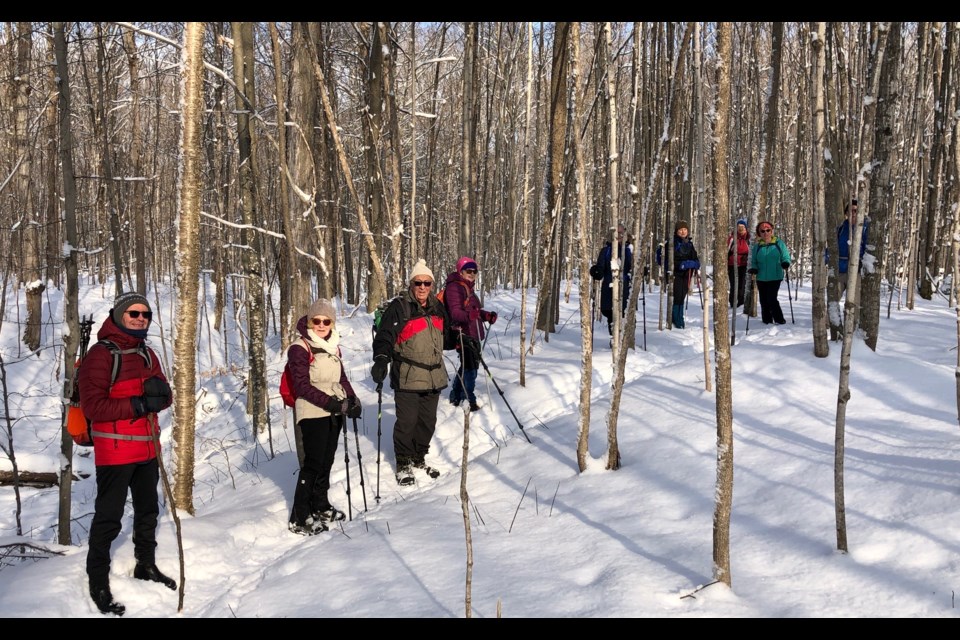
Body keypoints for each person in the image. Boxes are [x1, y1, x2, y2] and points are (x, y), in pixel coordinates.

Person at [78, 291, 175, 616]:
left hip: (147, 447)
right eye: (133, 313)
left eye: (145, 314)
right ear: (119, 315)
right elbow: (93, 406)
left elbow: (164, 394)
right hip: (115, 452)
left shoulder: (147, 353)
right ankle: (98, 584)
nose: (140, 319)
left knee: (148, 512)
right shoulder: (101, 355)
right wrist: (137, 403)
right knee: (108, 519)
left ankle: (145, 566)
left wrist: (160, 397)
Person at [286, 298, 362, 536]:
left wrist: (352, 399)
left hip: (334, 409)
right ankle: (300, 515)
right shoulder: (300, 347)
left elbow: (341, 378)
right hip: (311, 410)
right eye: (316, 320)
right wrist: (330, 403)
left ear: (332, 323)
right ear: (309, 321)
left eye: (326, 321)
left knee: (327, 460)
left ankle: (320, 505)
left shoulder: (333, 346)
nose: (321, 325)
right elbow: (301, 385)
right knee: (312, 464)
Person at [371, 259, 450, 486]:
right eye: (418, 282)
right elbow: (385, 335)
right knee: (407, 422)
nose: (423, 287)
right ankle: (404, 462)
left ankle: (418, 457)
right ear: (412, 284)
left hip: (434, 376)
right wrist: (381, 359)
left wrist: (465, 340)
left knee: (428, 422)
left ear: (432, 285)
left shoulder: (437, 307)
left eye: (427, 283)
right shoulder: (400, 307)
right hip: (408, 375)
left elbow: (448, 337)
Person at [443, 256, 497, 412]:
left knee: (468, 365)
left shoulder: (468, 288)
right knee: (471, 368)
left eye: (475, 271)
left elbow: (474, 311)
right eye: (469, 271)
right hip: (462, 333)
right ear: (460, 271)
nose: (472, 274)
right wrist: (469, 317)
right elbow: (455, 313)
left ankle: (456, 395)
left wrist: (486, 316)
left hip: (472, 332)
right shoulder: (454, 287)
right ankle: (469, 398)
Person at [748, 221, 792, 325]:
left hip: (775, 276)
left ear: (772, 231)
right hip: (761, 277)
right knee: (763, 300)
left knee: (771, 298)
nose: (765, 233)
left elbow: (785, 256)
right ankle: (766, 321)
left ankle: (779, 320)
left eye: (768, 230)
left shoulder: (779, 243)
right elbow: (754, 261)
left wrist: (785, 263)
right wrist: (754, 268)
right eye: (762, 231)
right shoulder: (757, 246)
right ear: (759, 233)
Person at [593, 223, 633, 336]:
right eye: (616, 233)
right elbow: (600, 268)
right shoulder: (606, 251)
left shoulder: (629, 249)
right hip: (609, 287)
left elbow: (633, 267)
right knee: (611, 313)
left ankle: (625, 339)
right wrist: (596, 271)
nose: (618, 235)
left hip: (625, 287)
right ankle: (614, 339)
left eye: (621, 233)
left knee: (625, 313)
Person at [836, 198, 868, 299]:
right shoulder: (840, 228)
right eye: (850, 210)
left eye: (856, 211)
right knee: (833, 301)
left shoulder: (865, 229)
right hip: (840, 271)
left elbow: (868, 249)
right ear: (846, 213)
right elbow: (833, 247)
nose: (853, 213)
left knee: (854, 305)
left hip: (856, 272)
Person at [671, 220, 699, 329]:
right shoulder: (673, 243)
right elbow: (671, 260)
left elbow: (696, 259)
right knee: (678, 296)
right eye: (680, 230)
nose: (683, 232)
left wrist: (694, 264)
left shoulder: (689, 244)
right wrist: (682, 264)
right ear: (677, 231)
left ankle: (680, 319)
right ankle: (676, 319)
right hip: (676, 274)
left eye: (685, 230)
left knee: (682, 295)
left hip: (687, 274)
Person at [727, 219, 750, 308]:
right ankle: (732, 303)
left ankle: (741, 304)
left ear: (746, 228)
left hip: (744, 266)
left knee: (742, 285)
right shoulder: (732, 239)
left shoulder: (748, 239)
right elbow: (726, 251)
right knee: (733, 285)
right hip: (732, 265)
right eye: (739, 227)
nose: (741, 229)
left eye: (743, 227)